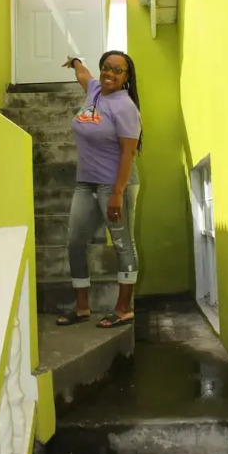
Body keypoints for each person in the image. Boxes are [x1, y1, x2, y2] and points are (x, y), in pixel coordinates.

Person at [56, 50, 142, 329]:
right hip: (86, 182)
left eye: (118, 70)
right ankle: (82, 307)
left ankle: (124, 309)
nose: (109, 74)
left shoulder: (125, 106)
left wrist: (117, 193)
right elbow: (83, 74)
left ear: (126, 77)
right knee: (74, 241)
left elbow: (129, 153)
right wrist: (75, 61)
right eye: (106, 67)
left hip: (114, 184)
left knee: (122, 243)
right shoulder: (94, 89)